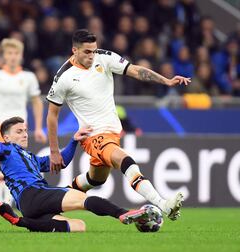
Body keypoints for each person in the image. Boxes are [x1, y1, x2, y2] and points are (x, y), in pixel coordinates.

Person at [0, 88, 158, 232]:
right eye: (19, 132)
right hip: (33, 193)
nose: (25, 134)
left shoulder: (31, 158)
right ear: (6, 137)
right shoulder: (5, 150)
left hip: (29, 207)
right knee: (85, 199)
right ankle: (123, 214)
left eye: (25, 130)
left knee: (78, 226)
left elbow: (61, 161)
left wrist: (73, 141)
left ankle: (19, 221)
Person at [46, 29, 191, 221]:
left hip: (113, 132)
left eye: (94, 50)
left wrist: (165, 80)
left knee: (96, 179)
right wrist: (55, 151)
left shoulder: (104, 58)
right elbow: (52, 115)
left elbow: (135, 71)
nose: (92, 55)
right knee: (126, 162)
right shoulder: (63, 77)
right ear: (75, 50)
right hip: (94, 136)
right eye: (87, 52)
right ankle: (163, 204)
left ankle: (50, 201)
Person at [0, 38, 47, 215]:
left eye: (16, 53)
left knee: (14, 163)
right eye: (9, 53)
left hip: (19, 126)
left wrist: (38, 127)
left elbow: (37, 102)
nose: (13, 57)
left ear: (21, 56)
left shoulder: (28, 77)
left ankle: (6, 201)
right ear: (4, 55)